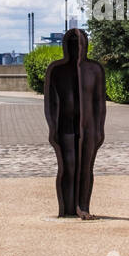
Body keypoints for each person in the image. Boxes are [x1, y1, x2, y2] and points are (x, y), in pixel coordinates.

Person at [43, 29, 106, 218]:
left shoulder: (94, 70)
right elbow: (51, 103)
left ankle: (83, 206)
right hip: (65, 127)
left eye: (79, 43)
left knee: (86, 168)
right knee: (67, 167)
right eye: (71, 43)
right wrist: (52, 128)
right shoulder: (56, 70)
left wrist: (99, 130)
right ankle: (67, 207)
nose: (76, 48)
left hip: (89, 129)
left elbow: (99, 103)